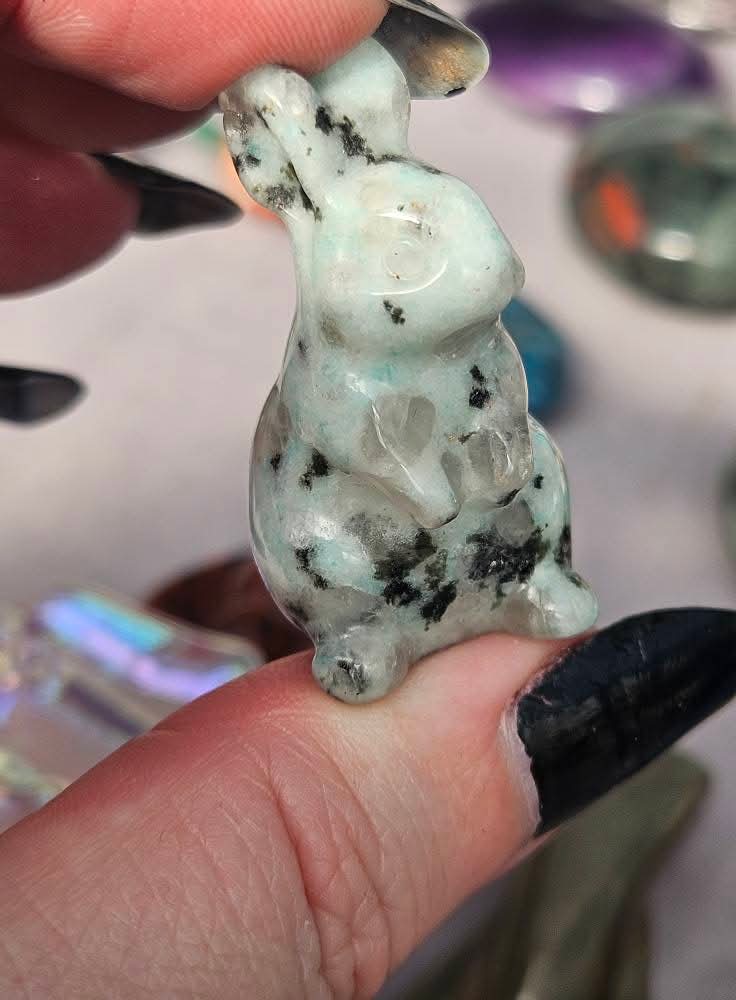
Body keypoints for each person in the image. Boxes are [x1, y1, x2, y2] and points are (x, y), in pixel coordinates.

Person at [1, 2, 735, 996]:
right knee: (334, 544)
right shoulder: (338, 348)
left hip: (478, 498)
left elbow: (499, 384)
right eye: (413, 255)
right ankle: (368, 634)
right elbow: (356, 439)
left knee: (538, 475)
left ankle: (535, 580)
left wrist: (495, 449)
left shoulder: (449, 284)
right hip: (366, 515)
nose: (499, 274)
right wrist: (420, 481)